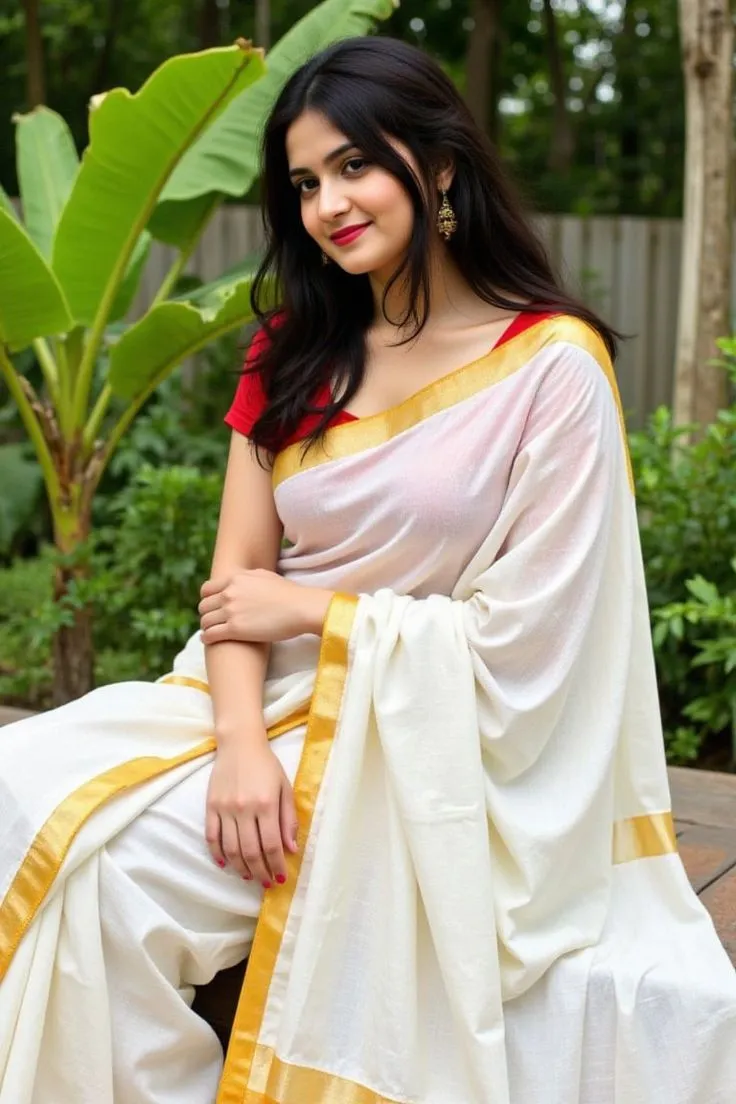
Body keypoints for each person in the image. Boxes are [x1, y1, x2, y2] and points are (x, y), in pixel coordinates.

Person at [0, 34, 735, 1104]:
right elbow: (231, 588)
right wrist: (242, 747)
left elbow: (532, 639)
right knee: (18, 793)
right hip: (250, 702)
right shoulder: (292, 349)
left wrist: (305, 605)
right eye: (304, 182)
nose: (327, 204)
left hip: (425, 743)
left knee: (113, 887)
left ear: (436, 167)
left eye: (354, 165)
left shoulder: (550, 370)